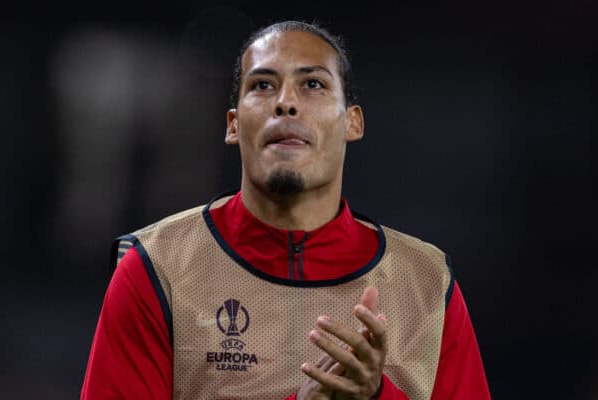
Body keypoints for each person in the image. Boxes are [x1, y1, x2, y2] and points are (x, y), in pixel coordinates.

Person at [80, 20, 491, 400]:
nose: (286, 103)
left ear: (353, 123)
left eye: (312, 83)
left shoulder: (427, 282)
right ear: (233, 124)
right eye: (262, 85)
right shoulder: (157, 269)